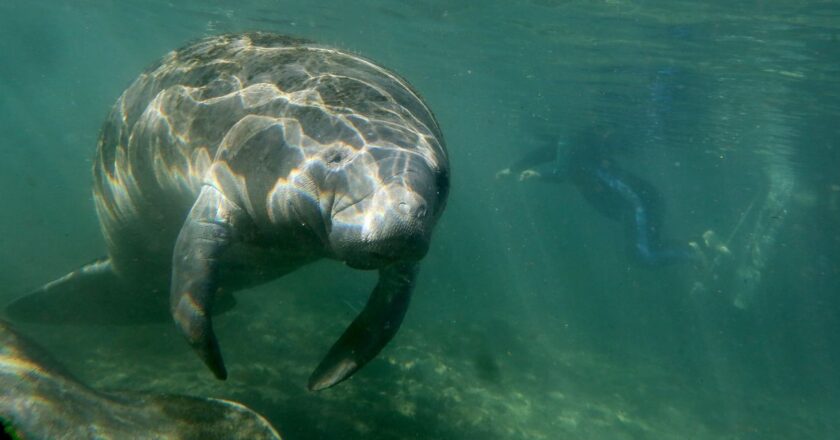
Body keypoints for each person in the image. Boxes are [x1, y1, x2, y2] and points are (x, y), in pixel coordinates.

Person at [497, 126, 699, 266]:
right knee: (645, 252)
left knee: (643, 256)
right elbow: (553, 155)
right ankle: (695, 248)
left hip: (640, 204)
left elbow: (564, 169)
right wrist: (515, 168)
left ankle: (692, 254)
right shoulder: (573, 150)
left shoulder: (584, 156)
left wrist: (540, 174)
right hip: (637, 203)